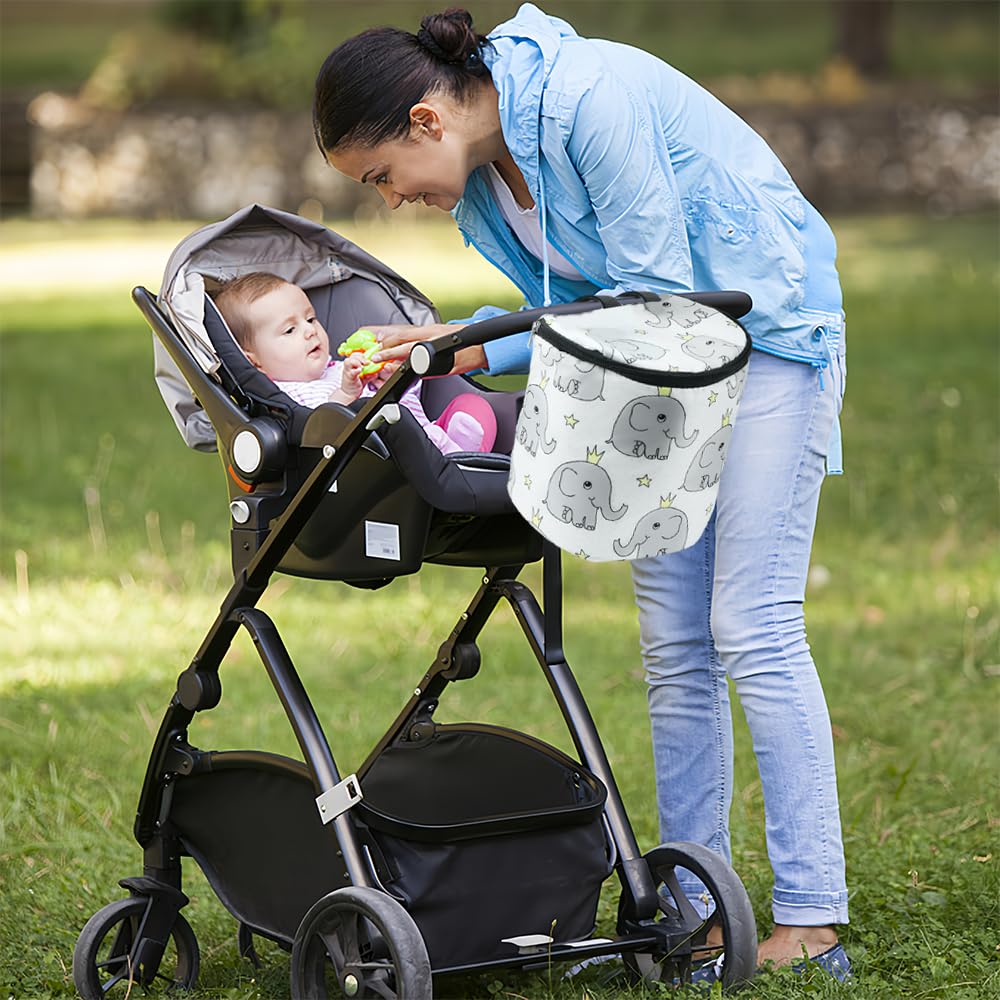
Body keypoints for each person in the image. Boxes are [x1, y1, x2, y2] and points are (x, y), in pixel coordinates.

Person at [312, 3, 850, 980]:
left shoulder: (587, 98)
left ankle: (811, 918)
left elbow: (649, 295)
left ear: (428, 121)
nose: (389, 200)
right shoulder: (478, 187)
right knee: (674, 645)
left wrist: (472, 338)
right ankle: (694, 906)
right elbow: (574, 308)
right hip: (652, 366)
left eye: (381, 176)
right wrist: (456, 341)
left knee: (752, 622)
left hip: (765, 338)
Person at [211, 272, 497, 455]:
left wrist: (392, 380)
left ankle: (459, 455)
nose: (310, 330)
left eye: (310, 319)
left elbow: (409, 404)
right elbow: (319, 427)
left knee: (475, 407)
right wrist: (347, 394)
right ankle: (456, 460)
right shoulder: (283, 398)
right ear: (255, 361)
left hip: (420, 433)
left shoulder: (340, 367)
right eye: (290, 330)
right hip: (376, 462)